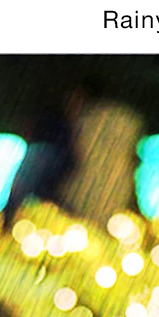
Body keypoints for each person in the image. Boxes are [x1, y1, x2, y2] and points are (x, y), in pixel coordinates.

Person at [56, 77, 146, 230]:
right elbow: (133, 160)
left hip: (85, 198)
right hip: (117, 195)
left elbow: (75, 158)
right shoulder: (129, 119)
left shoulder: (84, 122)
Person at [0, 88, 83, 231]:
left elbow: (19, 188)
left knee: (27, 188)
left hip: (48, 158)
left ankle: (7, 225)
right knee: (45, 194)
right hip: (56, 162)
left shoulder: (40, 152)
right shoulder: (61, 128)